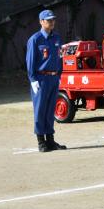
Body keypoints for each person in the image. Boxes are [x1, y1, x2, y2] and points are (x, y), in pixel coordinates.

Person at [26, 9, 66, 152]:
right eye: (48, 20)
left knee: (50, 110)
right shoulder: (35, 39)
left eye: (53, 19)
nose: (51, 22)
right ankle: (41, 141)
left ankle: (50, 140)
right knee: (40, 110)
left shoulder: (56, 38)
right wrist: (33, 79)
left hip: (54, 77)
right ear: (41, 22)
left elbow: (59, 58)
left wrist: (59, 75)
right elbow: (30, 61)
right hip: (41, 79)